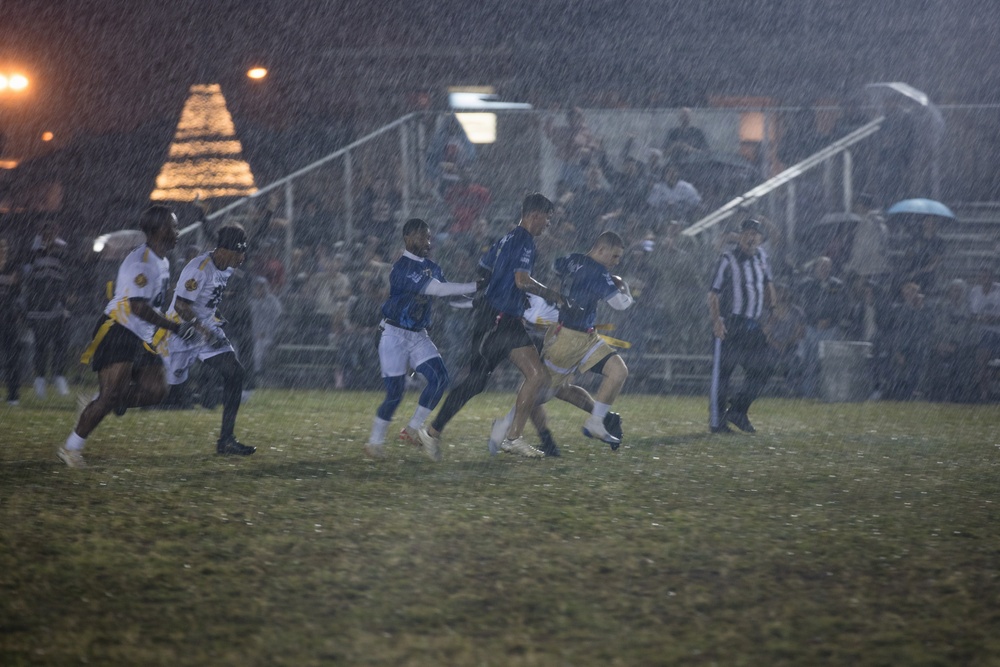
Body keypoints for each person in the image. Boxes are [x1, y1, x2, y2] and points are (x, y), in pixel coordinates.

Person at [426, 193, 567, 458]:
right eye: (547, 220)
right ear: (535, 215)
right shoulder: (525, 241)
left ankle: (510, 436)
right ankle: (436, 431)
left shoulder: (506, 239)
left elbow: (484, 268)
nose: (547, 225)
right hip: (497, 320)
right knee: (480, 381)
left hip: (502, 318)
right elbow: (522, 280)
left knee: (529, 376)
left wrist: (498, 292)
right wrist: (552, 295)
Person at [58, 206, 194, 468]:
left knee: (156, 390)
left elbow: (153, 303)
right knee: (110, 396)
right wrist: (174, 327)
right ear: (158, 230)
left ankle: (99, 403)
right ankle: (71, 448)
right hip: (119, 329)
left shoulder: (163, 260)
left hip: (141, 334)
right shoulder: (141, 261)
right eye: (173, 227)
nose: (177, 232)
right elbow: (138, 307)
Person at [487, 232, 634, 454]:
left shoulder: (573, 259)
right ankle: (504, 426)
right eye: (614, 256)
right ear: (601, 250)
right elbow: (620, 304)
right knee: (542, 392)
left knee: (617, 371)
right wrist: (626, 290)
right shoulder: (598, 272)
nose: (616, 262)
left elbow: (556, 266)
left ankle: (596, 421)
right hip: (568, 339)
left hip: (584, 335)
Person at [364, 218, 479, 460]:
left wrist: (477, 302)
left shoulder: (433, 267)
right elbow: (437, 290)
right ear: (407, 238)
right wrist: (475, 285)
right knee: (395, 394)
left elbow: (450, 298)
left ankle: (412, 429)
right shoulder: (401, 267)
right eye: (422, 236)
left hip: (418, 334)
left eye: (429, 237)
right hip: (393, 333)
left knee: (440, 379)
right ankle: (374, 442)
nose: (428, 242)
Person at [159, 225, 255, 456]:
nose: (242, 258)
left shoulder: (226, 266)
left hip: (205, 328)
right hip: (182, 331)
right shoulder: (199, 269)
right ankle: (112, 399)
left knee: (235, 373)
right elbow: (181, 305)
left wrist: (213, 320)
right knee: (163, 388)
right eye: (239, 252)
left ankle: (226, 440)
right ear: (224, 250)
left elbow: (207, 299)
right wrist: (203, 330)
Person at [708, 218, 776, 434]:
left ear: (760, 238)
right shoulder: (728, 259)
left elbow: (768, 285)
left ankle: (738, 410)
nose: (750, 237)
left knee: (764, 369)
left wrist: (771, 315)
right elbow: (713, 293)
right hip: (731, 323)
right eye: (746, 233)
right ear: (740, 236)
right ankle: (717, 423)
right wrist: (717, 321)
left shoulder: (762, 257)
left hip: (753, 325)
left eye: (755, 233)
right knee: (723, 375)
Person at [23, 221, 71, 398]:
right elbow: (27, 278)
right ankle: (40, 381)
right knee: (41, 346)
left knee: (60, 343)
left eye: (51, 234)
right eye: (46, 234)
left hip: (57, 307)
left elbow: (67, 277)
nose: (49, 237)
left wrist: (65, 300)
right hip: (38, 308)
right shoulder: (33, 253)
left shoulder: (61, 253)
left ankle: (59, 376)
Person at [0, 238, 23, 405]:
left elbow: (17, 288)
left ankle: (13, 395)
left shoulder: (13, 266)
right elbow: (12, 281)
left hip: (9, 316)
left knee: (12, 356)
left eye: (4, 248)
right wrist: (8, 280)